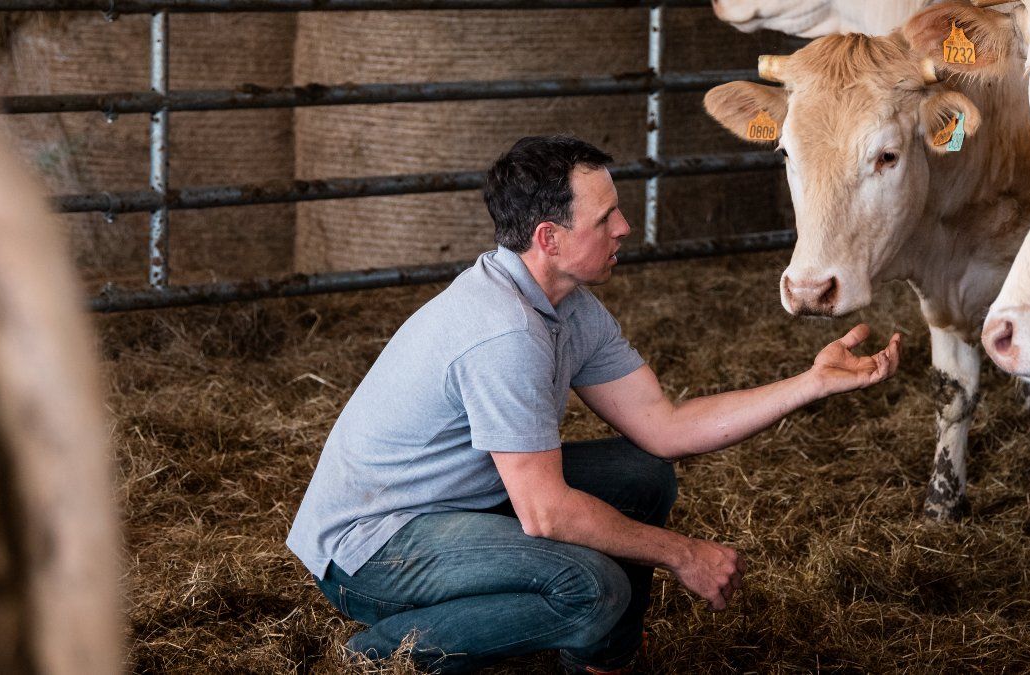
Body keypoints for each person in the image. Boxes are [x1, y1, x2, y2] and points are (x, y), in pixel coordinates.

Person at [286, 134, 903, 673]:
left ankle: (603, 661)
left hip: (459, 502)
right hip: (373, 551)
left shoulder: (568, 306)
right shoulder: (503, 332)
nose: (624, 227)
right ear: (549, 238)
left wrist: (811, 382)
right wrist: (684, 555)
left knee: (642, 475)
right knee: (590, 587)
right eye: (606, 217)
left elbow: (664, 426)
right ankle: (376, 657)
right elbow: (546, 514)